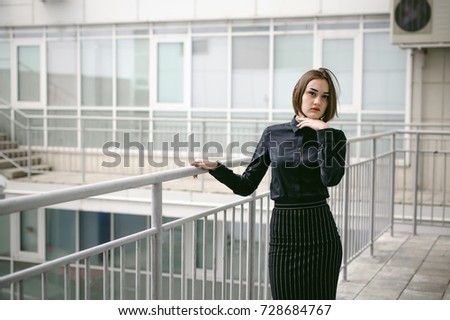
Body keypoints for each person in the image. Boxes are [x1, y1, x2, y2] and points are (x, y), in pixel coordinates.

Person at [191, 67, 347, 300]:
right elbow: (246, 185)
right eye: (312, 93)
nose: (317, 101)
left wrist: (323, 131)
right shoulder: (274, 134)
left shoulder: (334, 136)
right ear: (299, 94)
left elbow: (331, 178)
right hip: (284, 235)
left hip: (321, 236)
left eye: (325, 97)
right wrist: (217, 168)